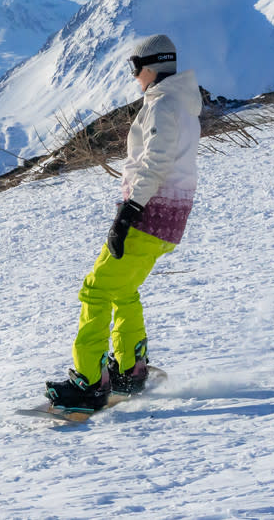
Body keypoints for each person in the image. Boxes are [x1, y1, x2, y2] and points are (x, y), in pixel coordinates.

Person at [45, 34, 202, 412]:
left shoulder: (164, 104)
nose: (135, 77)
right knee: (122, 288)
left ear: (151, 67)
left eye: (136, 68)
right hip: (167, 218)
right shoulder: (179, 101)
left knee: (95, 290)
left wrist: (128, 211)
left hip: (148, 215)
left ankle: (88, 383)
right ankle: (131, 370)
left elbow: (155, 161)